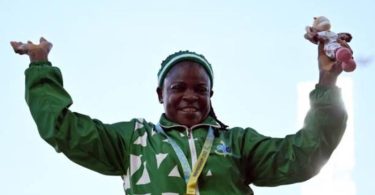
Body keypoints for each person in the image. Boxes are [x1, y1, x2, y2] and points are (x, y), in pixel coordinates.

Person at [11, 37, 348, 195]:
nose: (190, 96)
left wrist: (327, 81)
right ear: (160, 94)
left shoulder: (236, 142)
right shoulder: (134, 141)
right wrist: (40, 68)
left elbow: (304, 155)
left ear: (210, 95)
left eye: (200, 89)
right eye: (178, 88)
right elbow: (65, 131)